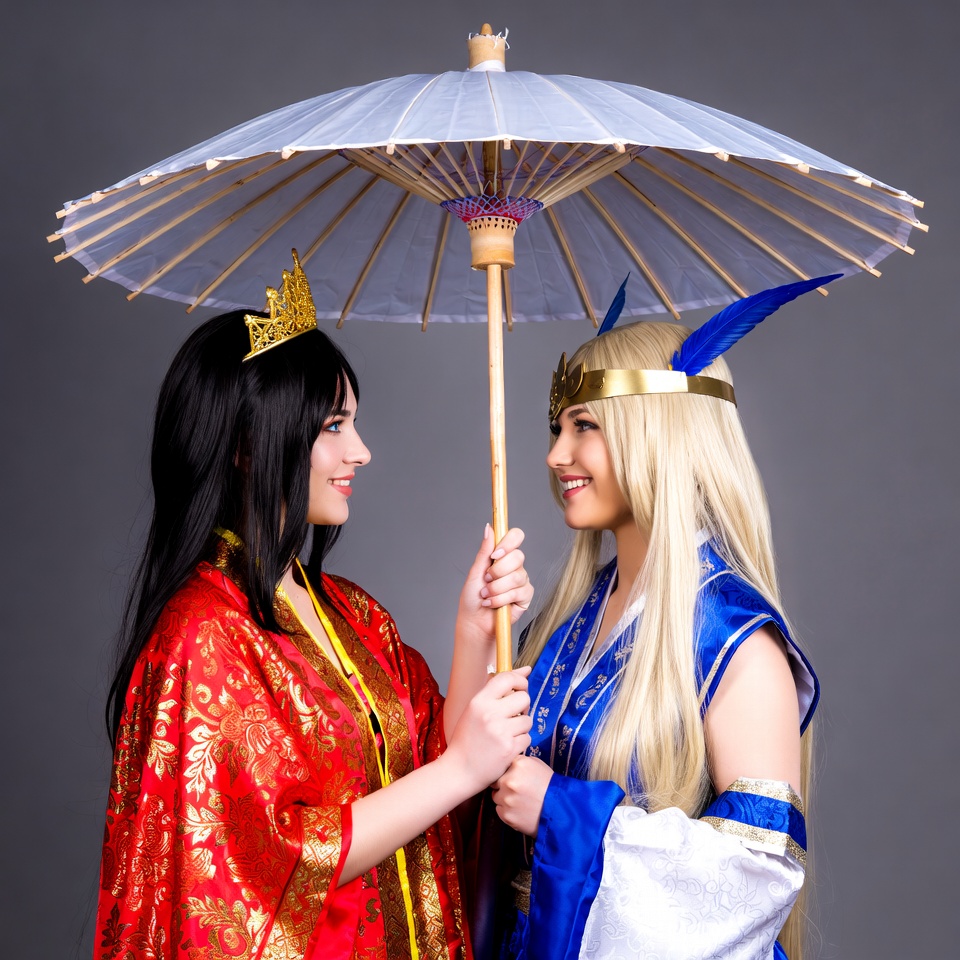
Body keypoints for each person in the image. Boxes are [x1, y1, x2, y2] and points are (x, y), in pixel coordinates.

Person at [95, 252, 534, 960]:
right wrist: (462, 771)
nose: (359, 450)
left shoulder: (350, 612)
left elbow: (427, 767)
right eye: (333, 426)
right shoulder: (203, 633)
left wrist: (473, 629)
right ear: (247, 445)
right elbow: (271, 856)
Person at [490, 278, 837, 960]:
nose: (556, 455)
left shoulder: (735, 643)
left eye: (584, 426)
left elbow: (755, 879)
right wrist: (479, 636)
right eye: (557, 426)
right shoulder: (564, 623)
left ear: (659, 434)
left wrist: (562, 815)